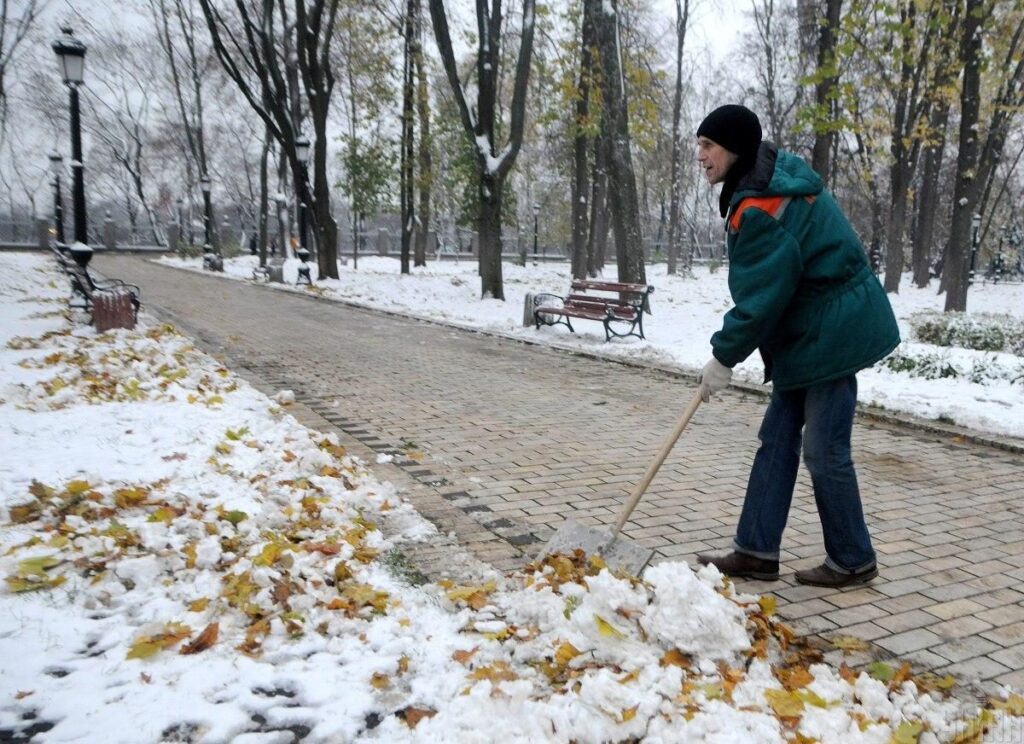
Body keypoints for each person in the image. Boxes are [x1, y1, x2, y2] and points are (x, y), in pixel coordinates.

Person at [692, 104, 900, 588]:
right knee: (778, 442)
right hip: (809, 334)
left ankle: (853, 558)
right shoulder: (763, 187)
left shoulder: (761, 206)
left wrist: (723, 356)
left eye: (708, 146)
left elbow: (761, 298)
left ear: (735, 150)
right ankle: (756, 551)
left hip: (832, 332)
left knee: (823, 450)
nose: (700, 155)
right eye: (699, 145)